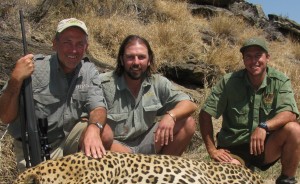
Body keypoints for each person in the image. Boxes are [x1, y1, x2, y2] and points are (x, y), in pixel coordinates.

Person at [0, 18, 113, 171]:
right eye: (67, 42)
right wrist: (15, 79)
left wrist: (94, 128)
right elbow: (5, 117)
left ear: (86, 47)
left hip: (66, 138)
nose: (74, 50)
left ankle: (83, 177)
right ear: (54, 43)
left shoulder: (88, 70)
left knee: (104, 132)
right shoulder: (33, 68)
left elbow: (98, 108)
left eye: (79, 44)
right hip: (34, 146)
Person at [199, 37, 300, 184]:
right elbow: (205, 114)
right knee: (230, 183)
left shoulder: (279, 81)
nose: (254, 61)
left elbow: (290, 113)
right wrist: (211, 149)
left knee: (294, 130)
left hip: (264, 147)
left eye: (258, 55)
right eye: (248, 56)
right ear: (243, 59)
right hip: (234, 148)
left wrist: (264, 126)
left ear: (267, 57)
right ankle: (244, 173)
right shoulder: (229, 82)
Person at [100, 35, 197, 156]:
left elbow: (190, 104)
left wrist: (171, 116)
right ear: (121, 60)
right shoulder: (103, 84)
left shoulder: (157, 82)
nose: (136, 62)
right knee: (100, 132)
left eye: (141, 57)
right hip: (115, 147)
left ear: (149, 60)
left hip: (147, 140)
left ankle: (164, 169)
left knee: (187, 123)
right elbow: (87, 120)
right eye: (130, 57)